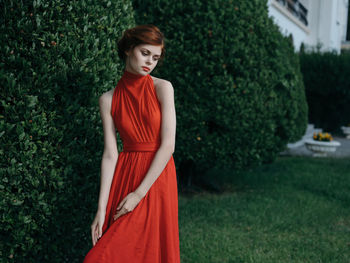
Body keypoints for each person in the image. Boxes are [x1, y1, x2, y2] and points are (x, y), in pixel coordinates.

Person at [83, 24, 180, 262]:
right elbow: (109, 154)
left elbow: (168, 145)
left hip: (156, 176)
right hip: (125, 176)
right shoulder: (108, 99)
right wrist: (101, 208)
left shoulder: (163, 88)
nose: (150, 62)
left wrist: (139, 193)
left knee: (146, 250)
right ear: (129, 49)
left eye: (156, 57)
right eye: (145, 53)